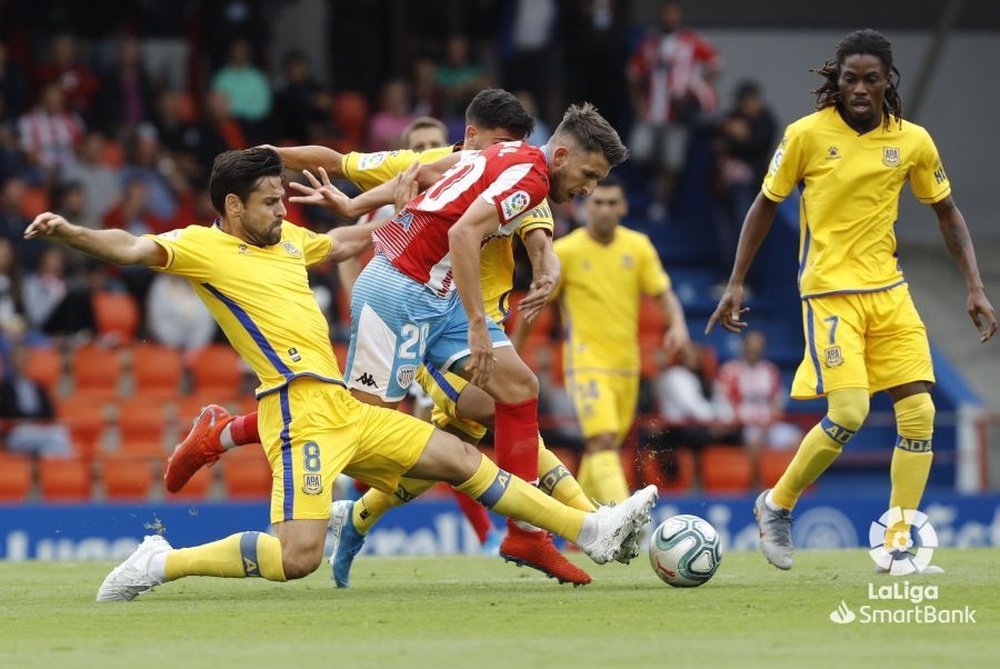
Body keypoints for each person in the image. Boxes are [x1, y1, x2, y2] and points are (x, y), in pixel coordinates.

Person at [24, 147, 657, 602]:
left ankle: (591, 528)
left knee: (463, 459)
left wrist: (405, 207)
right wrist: (73, 233)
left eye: (282, 200)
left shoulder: (293, 243)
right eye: (271, 203)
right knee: (296, 559)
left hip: (345, 411)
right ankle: (162, 561)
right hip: (296, 414)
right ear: (233, 205)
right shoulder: (201, 247)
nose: (282, 211)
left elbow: (355, 240)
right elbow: (131, 247)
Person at [166, 91, 603, 586]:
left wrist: (547, 266)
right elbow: (351, 165)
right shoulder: (446, 162)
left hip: (456, 315)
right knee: (384, 432)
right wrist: (269, 159)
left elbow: (539, 236)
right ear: (473, 136)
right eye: (494, 143)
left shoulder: (512, 171)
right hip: (414, 304)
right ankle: (584, 521)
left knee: (494, 407)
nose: (492, 153)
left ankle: (537, 528)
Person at [707, 29, 997, 573]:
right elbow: (765, 206)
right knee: (850, 411)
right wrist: (737, 280)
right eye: (849, 79)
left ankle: (898, 544)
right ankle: (776, 504)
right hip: (829, 294)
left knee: (920, 414)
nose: (860, 88)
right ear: (834, 83)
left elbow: (947, 213)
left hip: (890, 293)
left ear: (888, 81)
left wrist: (975, 285)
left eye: (870, 78)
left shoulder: (913, 141)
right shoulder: (804, 136)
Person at [515, 175, 689, 504]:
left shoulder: (638, 247)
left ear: (623, 207)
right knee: (603, 439)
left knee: (601, 449)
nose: (605, 210)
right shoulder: (565, 251)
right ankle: (624, 517)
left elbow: (664, 295)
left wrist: (677, 325)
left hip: (626, 366)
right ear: (585, 207)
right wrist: (515, 347)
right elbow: (536, 305)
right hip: (586, 362)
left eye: (612, 203)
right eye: (598, 202)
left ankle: (579, 524)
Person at [717, 330, 801, 452]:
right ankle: (754, 471)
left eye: (758, 346)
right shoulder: (730, 370)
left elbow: (778, 402)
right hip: (743, 426)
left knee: (797, 438)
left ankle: (792, 471)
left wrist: (769, 422)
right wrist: (739, 422)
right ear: (744, 346)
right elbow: (724, 401)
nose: (754, 350)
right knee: (753, 439)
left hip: (769, 425)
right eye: (751, 345)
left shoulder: (770, 370)